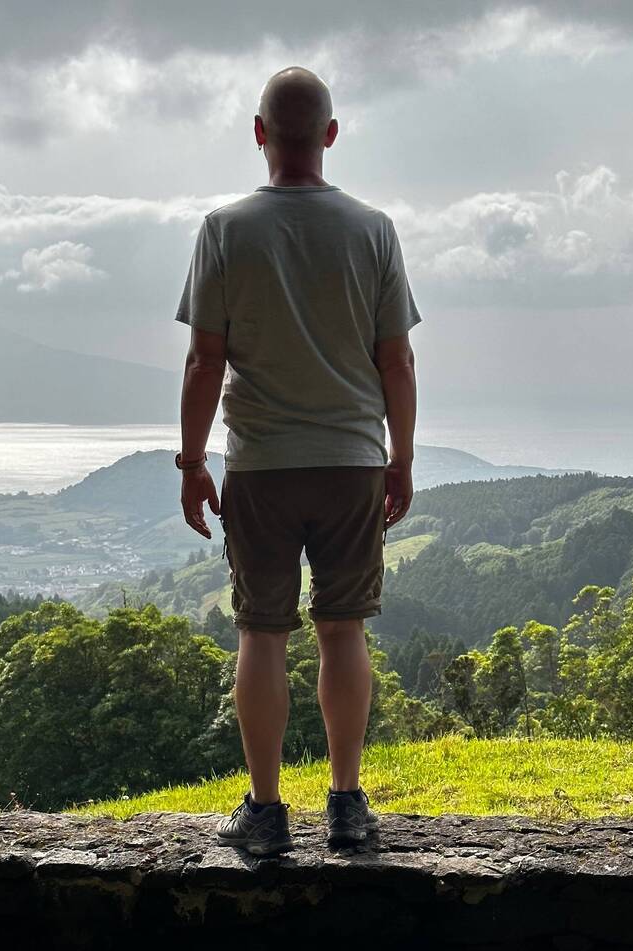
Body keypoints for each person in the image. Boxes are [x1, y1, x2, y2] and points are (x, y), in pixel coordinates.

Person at [175, 65, 421, 856]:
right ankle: (346, 805)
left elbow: (204, 362)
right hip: (351, 461)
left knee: (262, 635)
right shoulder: (373, 230)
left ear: (258, 133)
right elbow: (397, 362)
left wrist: (192, 462)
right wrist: (400, 458)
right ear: (330, 134)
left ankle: (266, 812)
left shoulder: (224, 230)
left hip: (261, 465)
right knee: (343, 632)